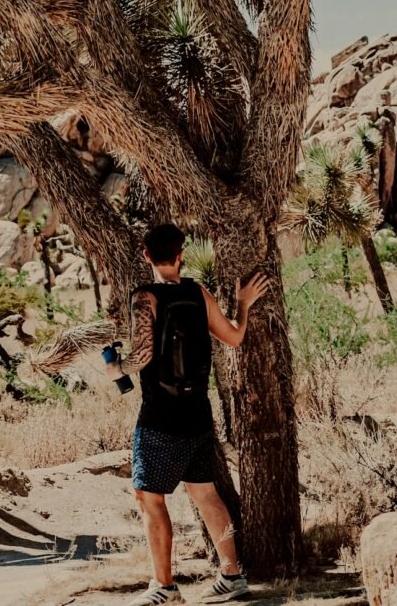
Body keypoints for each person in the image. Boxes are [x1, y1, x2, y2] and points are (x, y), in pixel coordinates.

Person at [105, 224, 269, 605]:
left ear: (145, 254)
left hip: (160, 415)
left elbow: (143, 356)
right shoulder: (198, 292)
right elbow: (234, 337)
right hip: (197, 411)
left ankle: (163, 587)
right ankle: (232, 575)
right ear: (182, 254)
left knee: (148, 497)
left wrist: (116, 368)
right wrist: (243, 303)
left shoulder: (145, 297)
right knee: (205, 493)